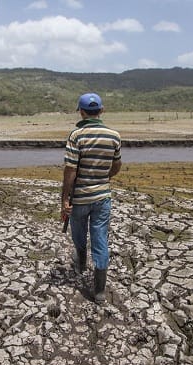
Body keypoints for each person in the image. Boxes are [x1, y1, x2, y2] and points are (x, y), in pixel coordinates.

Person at [61, 92, 122, 304]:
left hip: (80, 198)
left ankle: (80, 265)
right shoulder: (114, 135)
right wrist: (103, 178)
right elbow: (116, 166)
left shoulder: (76, 135)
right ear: (102, 111)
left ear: (81, 111)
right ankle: (99, 291)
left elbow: (70, 171)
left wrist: (64, 200)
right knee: (100, 239)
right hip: (102, 197)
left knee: (79, 234)